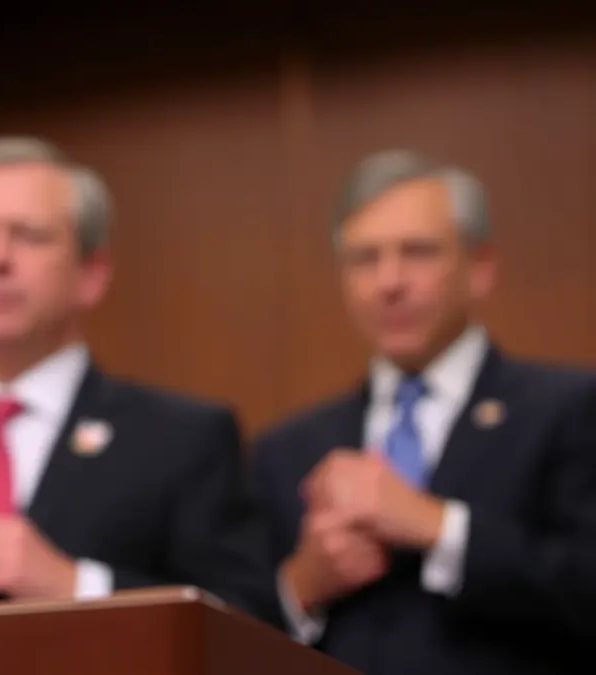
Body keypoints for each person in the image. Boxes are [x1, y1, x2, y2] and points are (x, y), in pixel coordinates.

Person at [0, 136, 281, 625]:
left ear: (92, 273)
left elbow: (249, 626)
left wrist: (75, 585)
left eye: (29, 235)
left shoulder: (184, 439)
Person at [251, 150, 596, 675]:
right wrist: (300, 586)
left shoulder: (568, 408)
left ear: (480, 268)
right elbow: (228, 635)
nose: (389, 282)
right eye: (365, 259)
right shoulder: (286, 449)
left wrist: (439, 527)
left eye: (418, 252)